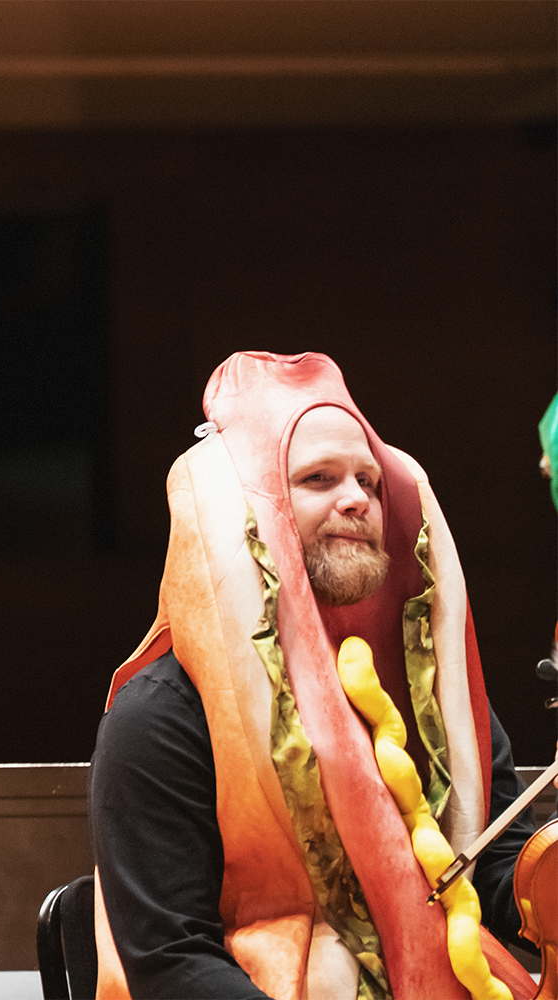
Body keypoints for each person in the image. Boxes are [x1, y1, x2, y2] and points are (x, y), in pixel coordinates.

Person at [89, 351, 538, 1000]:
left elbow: (493, 868)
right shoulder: (158, 715)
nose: (357, 498)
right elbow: (170, 965)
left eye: (369, 480)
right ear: (250, 516)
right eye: (319, 479)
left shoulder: (424, 688)